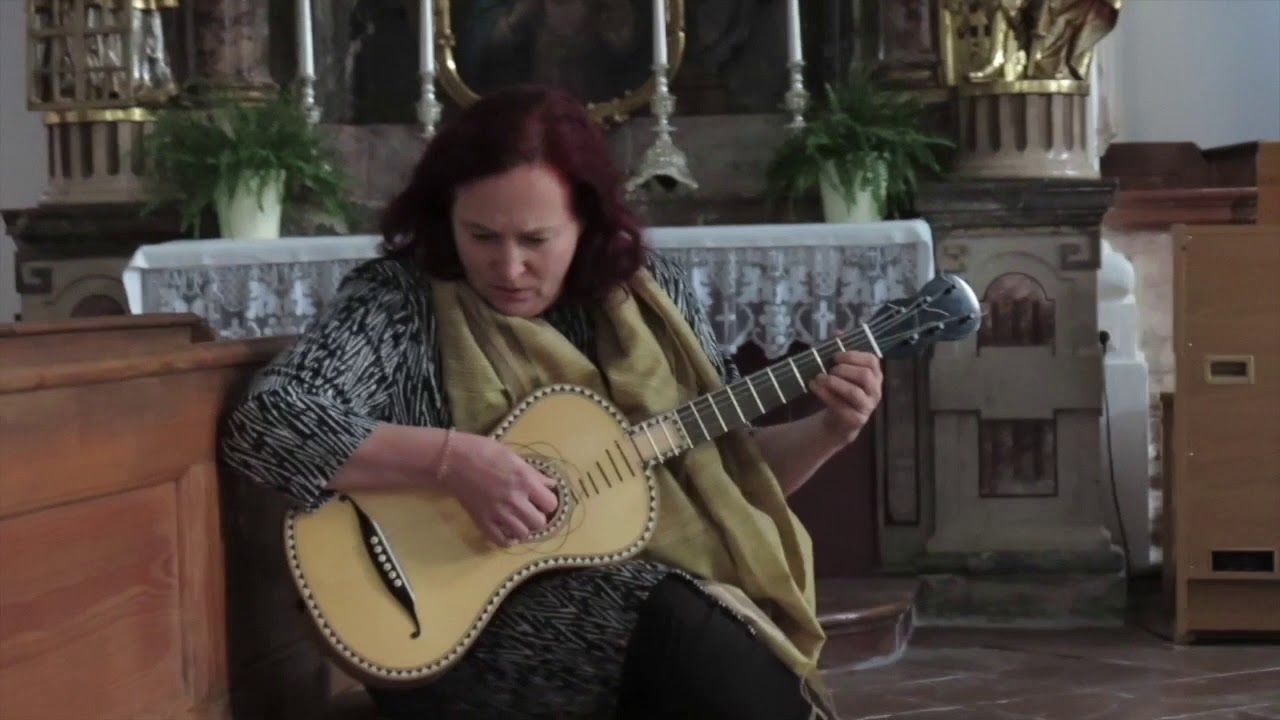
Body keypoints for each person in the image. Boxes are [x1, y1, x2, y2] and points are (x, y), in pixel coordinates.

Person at [219, 84, 884, 720]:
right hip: (446, 634)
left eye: (536, 241)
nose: (508, 268)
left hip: (652, 605)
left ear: (587, 224)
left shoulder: (656, 303)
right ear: (443, 216)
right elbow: (268, 424)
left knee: (695, 638)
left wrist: (829, 429)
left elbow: (726, 480)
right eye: (481, 236)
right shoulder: (403, 299)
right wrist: (459, 463)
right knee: (687, 628)